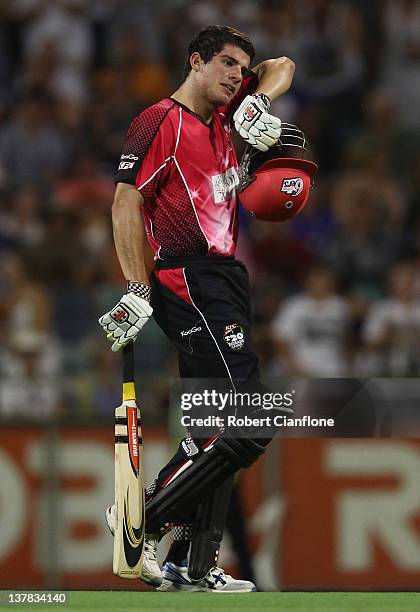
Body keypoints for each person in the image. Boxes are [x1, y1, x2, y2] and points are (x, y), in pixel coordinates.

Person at [99, 25, 295, 592]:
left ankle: (194, 562)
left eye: (242, 69)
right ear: (196, 62)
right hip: (187, 274)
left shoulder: (232, 117)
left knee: (217, 424)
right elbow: (124, 202)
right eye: (228, 65)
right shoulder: (160, 119)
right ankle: (143, 516)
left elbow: (284, 63)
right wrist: (136, 287)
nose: (237, 76)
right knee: (248, 418)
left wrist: (260, 99)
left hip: (226, 277)